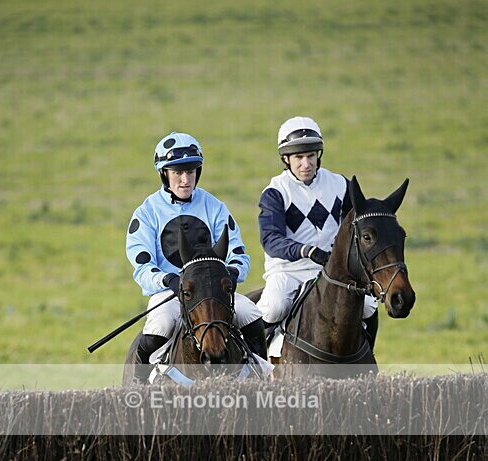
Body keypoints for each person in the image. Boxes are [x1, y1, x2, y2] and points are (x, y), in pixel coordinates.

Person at [126, 132, 267, 372]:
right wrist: (168, 279)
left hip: (214, 293)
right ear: (164, 174)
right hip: (169, 294)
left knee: (251, 314)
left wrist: (231, 274)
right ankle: (137, 390)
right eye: (177, 173)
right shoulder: (147, 212)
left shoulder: (214, 206)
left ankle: (263, 376)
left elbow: (238, 254)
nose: (185, 180)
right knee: (158, 325)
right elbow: (142, 265)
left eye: (190, 172)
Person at [257, 116, 379, 347]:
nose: (306, 164)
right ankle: (256, 364)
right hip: (288, 271)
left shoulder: (341, 184)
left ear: (318, 156)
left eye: (311, 156)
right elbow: (271, 240)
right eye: (299, 158)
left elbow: (358, 227)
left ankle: (366, 356)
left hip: (333, 270)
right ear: (286, 159)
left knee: (368, 307)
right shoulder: (275, 192)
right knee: (273, 308)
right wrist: (307, 251)